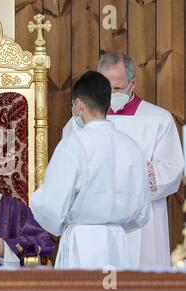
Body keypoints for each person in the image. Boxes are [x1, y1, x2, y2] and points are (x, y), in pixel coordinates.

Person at [63, 53, 184, 268]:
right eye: (104, 88)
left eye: (117, 88)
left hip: (144, 222)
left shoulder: (158, 119)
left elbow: (171, 169)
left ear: (133, 83)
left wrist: (128, 179)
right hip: (96, 222)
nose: (109, 95)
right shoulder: (79, 122)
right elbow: (68, 167)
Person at [31, 71, 150, 269]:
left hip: (82, 243)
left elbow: (50, 207)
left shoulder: (72, 146)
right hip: (118, 242)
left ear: (79, 105)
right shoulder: (131, 147)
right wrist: (113, 224)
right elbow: (142, 211)